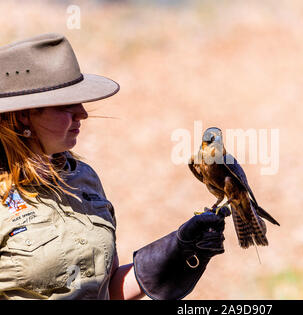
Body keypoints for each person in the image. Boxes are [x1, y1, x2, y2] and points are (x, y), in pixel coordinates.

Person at [0, 33, 227, 300]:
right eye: (65, 105)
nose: (83, 113)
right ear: (23, 115)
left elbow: (105, 290)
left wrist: (178, 251)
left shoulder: (82, 178)